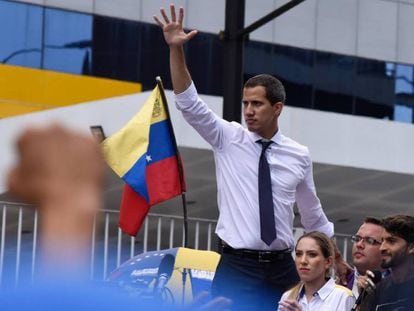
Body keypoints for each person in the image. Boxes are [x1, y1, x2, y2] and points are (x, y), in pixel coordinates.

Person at [153, 4, 343, 310]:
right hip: (236, 265)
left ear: (277, 108)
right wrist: (176, 49)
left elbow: (312, 213)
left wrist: (335, 254)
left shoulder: (298, 154)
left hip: (283, 266)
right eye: (245, 103)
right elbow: (188, 104)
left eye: (257, 104)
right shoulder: (227, 137)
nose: (248, 111)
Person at [278, 232, 354, 311]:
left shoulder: (344, 297)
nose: (303, 261)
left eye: (312, 254)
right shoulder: (287, 297)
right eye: (298, 254)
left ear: (328, 262)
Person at [360, 215, 414, 310]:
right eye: (382, 241)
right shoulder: (378, 290)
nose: (382, 248)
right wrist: (363, 300)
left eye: (391, 241)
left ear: (411, 247)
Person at [347, 217, 386, 298]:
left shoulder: (399, 288)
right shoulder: (340, 284)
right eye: (357, 239)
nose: (359, 245)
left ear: (384, 247)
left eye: (369, 241)